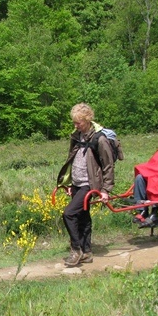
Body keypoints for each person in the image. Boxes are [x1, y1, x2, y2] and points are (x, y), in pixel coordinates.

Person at [56, 103, 115, 267]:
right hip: (76, 182)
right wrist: (68, 183)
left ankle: (76, 249)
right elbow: (71, 159)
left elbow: (108, 165)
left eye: (78, 122)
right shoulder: (76, 136)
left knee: (68, 214)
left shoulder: (99, 139)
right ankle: (87, 252)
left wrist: (105, 190)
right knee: (83, 217)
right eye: (74, 122)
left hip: (89, 184)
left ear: (88, 120)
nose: (75, 125)